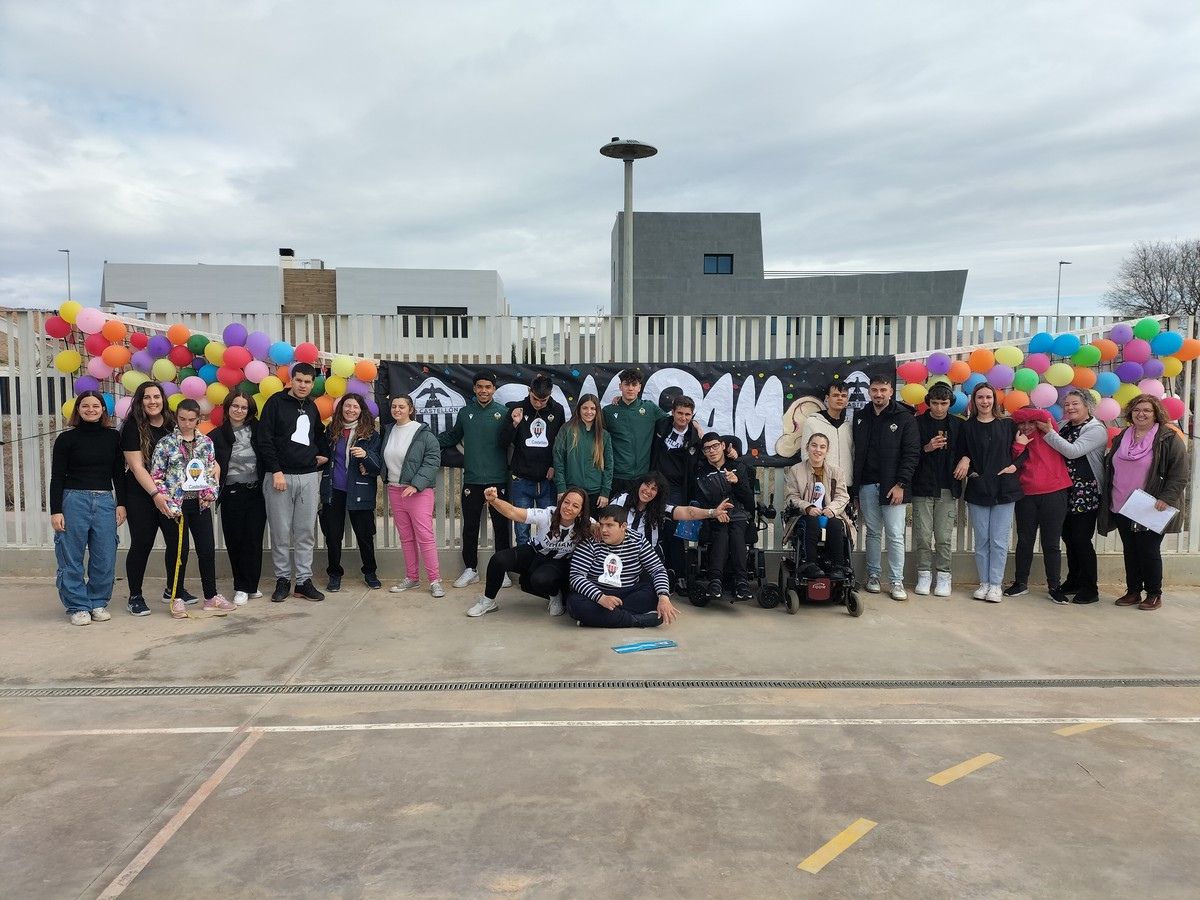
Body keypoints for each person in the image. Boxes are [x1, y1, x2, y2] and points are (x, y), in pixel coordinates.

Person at [1098, 394, 1189, 611]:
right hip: (1122, 503)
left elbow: (1180, 473)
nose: (1142, 414)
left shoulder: (1168, 438)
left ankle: (1154, 594)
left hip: (1150, 505)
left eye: (1147, 410)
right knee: (1130, 550)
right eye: (1138, 409)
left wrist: (1165, 498)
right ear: (1131, 413)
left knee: (1148, 550)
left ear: (1156, 413)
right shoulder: (1123, 436)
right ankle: (1133, 591)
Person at [150, 399, 235, 618]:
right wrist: (166, 501)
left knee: (206, 549)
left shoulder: (206, 442)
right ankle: (176, 596)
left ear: (199, 419)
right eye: (182, 419)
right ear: (176, 418)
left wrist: (210, 494)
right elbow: (157, 475)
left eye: (191, 419)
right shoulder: (166, 443)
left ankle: (211, 596)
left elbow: (211, 471)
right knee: (179, 551)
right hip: (175, 506)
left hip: (200, 504)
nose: (187, 424)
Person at [50, 390, 126, 625]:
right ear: (78, 410)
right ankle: (77, 605)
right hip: (73, 500)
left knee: (104, 555)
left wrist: (120, 503)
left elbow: (118, 474)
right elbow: (57, 477)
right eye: (85, 406)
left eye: (96, 406)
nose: (91, 410)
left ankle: (98, 601)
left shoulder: (113, 437)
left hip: (104, 500)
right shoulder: (66, 439)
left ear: (104, 409)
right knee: (71, 556)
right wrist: (56, 510)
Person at [256, 362, 330, 602]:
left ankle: (303, 581)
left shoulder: (311, 406)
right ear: (291, 380)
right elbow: (264, 439)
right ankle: (283, 579)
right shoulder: (275, 403)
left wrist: (323, 454)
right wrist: (275, 470)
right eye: (299, 380)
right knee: (280, 531)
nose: (303, 385)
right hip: (280, 477)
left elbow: (318, 433)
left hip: (308, 476)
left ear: (312, 384)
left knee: (305, 531)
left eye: (308, 382)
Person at [466, 486, 592, 618]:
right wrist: (494, 500)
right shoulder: (547, 515)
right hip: (534, 552)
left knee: (539, 580)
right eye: (566, 502)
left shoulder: (588, 525)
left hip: (558, 563)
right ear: (561, 502)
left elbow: (608, 530)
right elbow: (513, 512)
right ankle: (488, 601)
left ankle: (555, 596)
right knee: (499, 559)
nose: (568, 508)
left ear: (581, 512)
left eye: (575, 506)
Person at [438, 370, 511, 589]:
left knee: (501, 527)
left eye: (488, 387)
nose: (483, 391)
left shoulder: (504, 413)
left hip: (498, 479)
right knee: (469, 527)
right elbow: (452, 437)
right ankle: (470, 569)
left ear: (494, 390)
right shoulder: (465, 413)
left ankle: (503, 570)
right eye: (480, 386)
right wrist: (425, 439)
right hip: (472, 479)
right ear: (474, 389)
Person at [851, 375, 919, 600]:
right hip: (867, 485)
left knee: (895, 535)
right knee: (872, 532)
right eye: (874, 390)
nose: (878, 394)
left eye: (883, 390)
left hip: (893, 487)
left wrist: (901, 484)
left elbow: (911, 454)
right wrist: (856, 489)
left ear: (891, 391)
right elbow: (857, 454)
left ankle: (897, 581)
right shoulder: (861, 417)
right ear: (869, 392)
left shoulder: (904, 418)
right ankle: (873, 575)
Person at [1038, 389, 1108, 604]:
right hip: (1064, 489)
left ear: (1087, 405)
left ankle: (1090, 588)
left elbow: (1072, 451)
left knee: (1081, 539)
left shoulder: (1096, 429)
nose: (1070, 408)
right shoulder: (1065, 425)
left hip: (1084, 491)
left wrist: (1049, 433)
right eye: (1067, 404)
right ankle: (1074, 580)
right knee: (1068, 538)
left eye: (1075, 403)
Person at [954, 383, 1021, 603]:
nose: (985, 402)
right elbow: (960, 452)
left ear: (995, 400)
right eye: (980, 397)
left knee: (999, 541)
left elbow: (1022, 449)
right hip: (979, 489)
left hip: (1004, 489)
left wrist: (1015, 465)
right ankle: (983, 583)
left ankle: (995, 585)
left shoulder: (1008, 425)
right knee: (982, 540)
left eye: (988, 397)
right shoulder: (967, 427)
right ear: (974, 401)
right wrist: (968, 465)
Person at [566, 505, 680, 628]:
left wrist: (663, 597)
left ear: (623, 526)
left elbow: (657, 569)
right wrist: (601, 598)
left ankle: (600, 618)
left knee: (653, 593)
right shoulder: (590, 541)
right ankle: (634, 620)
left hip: (627, 592)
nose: (603, 530)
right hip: (597, 593)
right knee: (575, 603)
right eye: (601, 524)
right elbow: (576, 577)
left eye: (609, 525)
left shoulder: (637, 540)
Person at [120, 381, 180, 616]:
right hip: (141, 494)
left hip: (170, 494)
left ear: (163, 399)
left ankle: (173, 589)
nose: (153, 401)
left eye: (157, 396)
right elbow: (136, 467)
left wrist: (213, 465)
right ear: (139, 401)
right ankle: (135, 596)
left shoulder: (173, 424)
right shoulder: (132, 427)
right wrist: (155, 494)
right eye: (147, 397)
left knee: (177, 544)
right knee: (142, 544)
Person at [1004, 407, 1073, 602]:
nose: (1026, 427)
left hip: (1054, 492)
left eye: (1030, 423)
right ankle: (1020, 582)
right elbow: (1012, 459)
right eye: (1022, 423)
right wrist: (1019, 445)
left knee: (1051, 543)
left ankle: (1054, 586)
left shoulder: (1050, 435)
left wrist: (1044, 426)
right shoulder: (1016, 439)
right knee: (1025, 540)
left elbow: (1046, 419)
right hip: (1026, 494)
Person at [319, 393, 383, 592]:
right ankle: (334, 574)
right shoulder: (331, 430)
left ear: (361, 410)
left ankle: (370, 572)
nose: (350, 410)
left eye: (355, 407)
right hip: (334, 490)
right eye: (347, 406)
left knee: (365, 535)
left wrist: (366, 455)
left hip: (360, 490)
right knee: (333, 535)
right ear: (341, 409)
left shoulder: (371, 434)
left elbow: (377, 466)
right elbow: (322, 455)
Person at [381, 394, 444, 597]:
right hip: (394, 489)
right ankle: (412, 577)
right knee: (406, 538)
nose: (397, 410)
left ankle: (435, 580)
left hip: (418, 492)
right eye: (394, 406)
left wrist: (416, 485)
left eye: (401, 406)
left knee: (425, 537)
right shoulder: (388, 430)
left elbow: (432, 460)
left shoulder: (423, 433)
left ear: (410, 409)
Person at [609, 471, 731, 569]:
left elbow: (686, 512)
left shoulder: (660, 508)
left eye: (654, 489)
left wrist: (712, 512)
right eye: (646, 485)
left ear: (658, 494)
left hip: (646, 557)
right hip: (618, 553)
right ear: (640, 484)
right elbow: (606, 522)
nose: (648, 491)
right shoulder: (621, 500)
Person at [210, 391, 266, 606]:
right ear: (227, 407)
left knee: (253, 539)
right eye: (235, 406)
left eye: (243, 407)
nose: (239, 410)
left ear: (249, 410)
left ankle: (251, 586)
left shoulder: (258, 430)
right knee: (235, 540)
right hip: (232, 492)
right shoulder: (216, 435)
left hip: (256, 492)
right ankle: (241, 586)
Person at [501, 374, 567, 545]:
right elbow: (502, 442)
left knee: (549, 525)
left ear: (550, 395)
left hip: (547, 479)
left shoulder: (558, 410)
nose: (538, 403)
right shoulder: (517, 408)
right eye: (535, 399)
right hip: (522, 478)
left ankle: (543, 564)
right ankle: (524, 567)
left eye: (543, 400)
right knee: (522, 528)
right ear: (529, 391)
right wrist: (514, 424)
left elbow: (561, 444)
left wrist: (554, 465)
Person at [911, 382, 962, 597]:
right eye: (935, 403)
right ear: (928, 403)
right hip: (922, 487)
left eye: (943, 403)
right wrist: (927, 447)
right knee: (922, 536)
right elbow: (909, 454)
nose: (939, 408)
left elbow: (968, 450)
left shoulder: (959, 425)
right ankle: (924, 574)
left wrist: (966, 460)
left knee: (943, 537)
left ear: (950, 403)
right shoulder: (917, 423)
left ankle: (943, 576)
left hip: (948, 487)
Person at [694, 431, 756, 601]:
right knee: (720, 534)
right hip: (713, 515)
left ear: (723, 446)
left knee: (736, 533)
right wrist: (714, 512)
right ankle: (715, 581)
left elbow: (749, 500)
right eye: (707, 449)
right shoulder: (701, 473)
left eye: (715, 446)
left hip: (739, 515)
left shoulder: (738, 467)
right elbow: (699, 500)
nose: (712, 451)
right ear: (703, 452)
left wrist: (738, 483)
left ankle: (741, 582)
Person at [651, 395, 703, 586]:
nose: (683, 418)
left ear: (692, 415)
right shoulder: (661, 426)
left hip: (677, 489)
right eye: (679, 413)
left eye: (688, 414)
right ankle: (659, 573)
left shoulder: (695, 437)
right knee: (655, 528)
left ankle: (678, 574)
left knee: (674, 529)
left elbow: (713, 451)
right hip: (655, 485)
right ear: (672, 412)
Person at [784, 432, 852, 576]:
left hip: (830, 514)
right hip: (805, 515)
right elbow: (792, 497)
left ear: (827, 450)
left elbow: (843, 496)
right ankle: (810, 564)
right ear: (807, 448)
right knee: (812, 522)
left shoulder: (836, 471)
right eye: (814, 445)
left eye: (822, 447)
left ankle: (838, 566)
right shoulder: (796, 470)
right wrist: (807, 507)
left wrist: (832, 509)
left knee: (835, 525)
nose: (818, 450)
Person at [603, 368, 669, 498]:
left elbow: (675, 422)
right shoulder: (608, 411)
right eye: (627, 384)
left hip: (642, 477)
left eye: (634, 385)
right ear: (620, 386)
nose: (630, 388)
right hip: (616, 476)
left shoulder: (649, 408)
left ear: (639, 387)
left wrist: (694, 423)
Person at [553, 394, 613, 511]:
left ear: (597, 411)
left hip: (596, 493)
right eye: (585, 408)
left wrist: (605, 492)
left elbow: (609, 465)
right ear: (579, 409)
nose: (589, 412)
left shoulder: (603, 435)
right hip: (572, 491)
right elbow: (558, 459)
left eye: (593, 408)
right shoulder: (567, 429)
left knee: (593, 528)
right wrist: (561, 488)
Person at [801, 381, 855, 483]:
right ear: (827, 398)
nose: (840, 398)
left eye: (843, 396)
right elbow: (805, 453)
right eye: (835, 395)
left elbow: (852, 454)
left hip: (845, 484)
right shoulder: (813, 422)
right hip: (820, 483)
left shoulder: (849, 425)